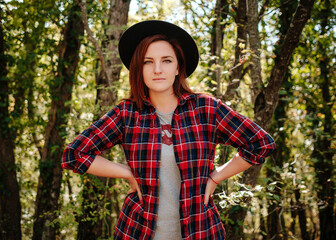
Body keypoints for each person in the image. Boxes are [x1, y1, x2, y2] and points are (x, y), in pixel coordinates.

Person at [61, 20, 276, 240]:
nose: (157, 69)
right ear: (139, 69)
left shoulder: (205, 109)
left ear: (178, 67)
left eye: (166, 60)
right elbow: (74, 155)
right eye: (148, 62)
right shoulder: (127, 114)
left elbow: (261, 143)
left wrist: (215, 178)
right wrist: (127, 173)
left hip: (200, 231)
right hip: (137, 232)